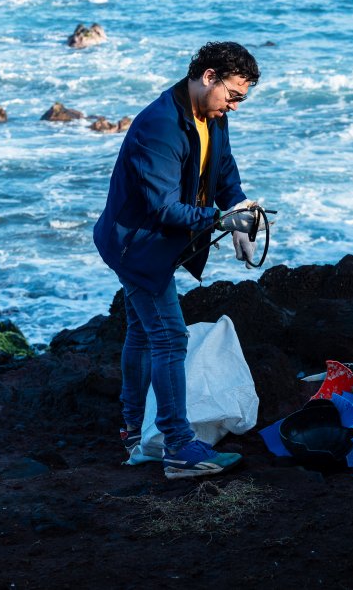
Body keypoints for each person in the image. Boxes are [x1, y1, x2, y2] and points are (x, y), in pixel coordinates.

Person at [93, 41, 265, 479]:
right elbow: (163, 209)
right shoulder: (160, 127)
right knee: (170, 338)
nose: (235, 106)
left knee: (141, 330)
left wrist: (240, 207)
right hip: (137, 247)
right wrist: (221, 220)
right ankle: (176, 446)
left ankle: (134, 428)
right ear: (209, 76)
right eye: (234, 95)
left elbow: (223, 169)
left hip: (153, 243)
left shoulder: (211, 115)